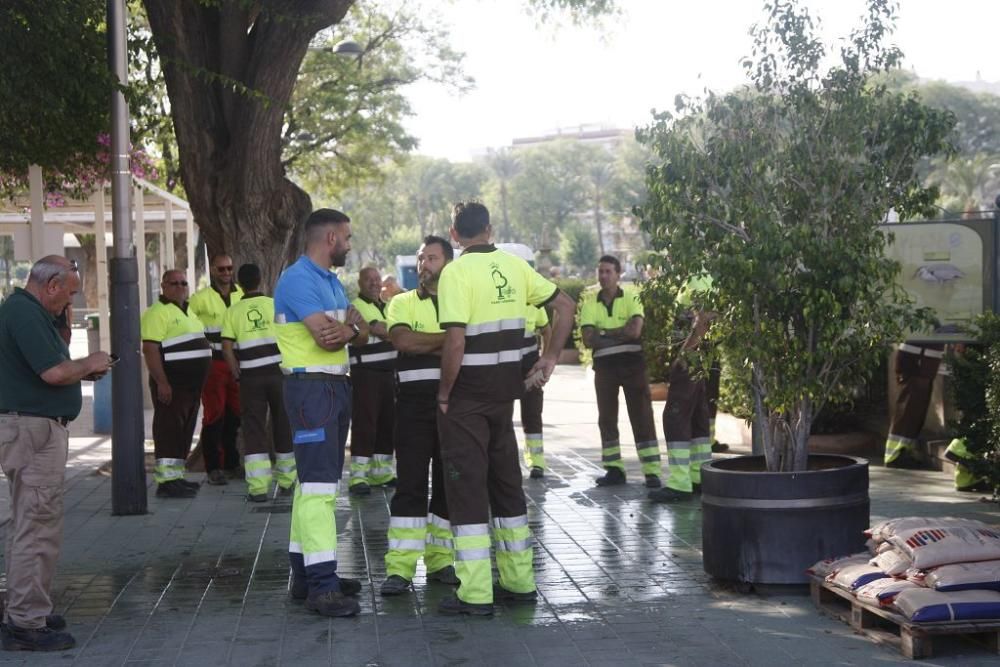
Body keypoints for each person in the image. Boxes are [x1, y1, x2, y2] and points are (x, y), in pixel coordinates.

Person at [436, 201, 576, 616]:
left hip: (465, 399)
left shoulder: (456, 273)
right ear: (490, 229)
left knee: (466, 492)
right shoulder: (515, 267)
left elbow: (456, 343)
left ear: (455, 234)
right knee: (506, 486)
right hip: (504, 395)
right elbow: (565, 306)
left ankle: (475, 593)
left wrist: (444, 392)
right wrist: (550, 357)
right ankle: (519, 583)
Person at [0, 256, 112, 651]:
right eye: (69, 293)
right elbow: (55, 372)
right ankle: (25, 622)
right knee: (36, 525)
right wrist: (91, 362)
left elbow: (59, 360)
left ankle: (26, 607)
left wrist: (79, 363)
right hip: (33, 430)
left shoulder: (31, 312)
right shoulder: (23, 313)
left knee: (30, 523)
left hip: (34, 427)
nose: (72, 302)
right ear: (50, 286)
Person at [273, 208, 369, 618]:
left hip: (330, 388)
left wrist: (349, 330)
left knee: (311, 487)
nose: (349, 244)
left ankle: (307, 577)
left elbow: (359, 331)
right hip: (312, 391)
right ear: (330, 238)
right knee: (318, 491)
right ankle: (323, 587)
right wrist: (349, 330)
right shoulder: (297, 279)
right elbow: (331, 339)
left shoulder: (329, 281)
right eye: (346, 237)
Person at [379, 236, 459, 596]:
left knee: (447, 484)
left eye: (432, 257)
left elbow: (418, 341)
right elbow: (404, 343)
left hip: (454, 406)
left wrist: (432, 337)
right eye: (421, 258)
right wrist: (455, 337)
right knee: (410, 485)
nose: (425, 264)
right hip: (412, 407)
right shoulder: (401, 302)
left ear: (449, 262)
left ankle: (441, 561)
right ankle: (400, 569)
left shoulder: (461, 301)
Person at [579, 255, 662, 488]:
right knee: (606, 418)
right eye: (600, 272)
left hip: (632, 364)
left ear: (618, 273)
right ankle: (614, 470)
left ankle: (652, 471)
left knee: (642, 416)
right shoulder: (589, 302)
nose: (603, 276)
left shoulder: (632, 296)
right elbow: (587, 339)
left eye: (608, 271)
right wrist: (618, 332)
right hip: (604, 368)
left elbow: (635, 331)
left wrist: (603, 334)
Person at [221, 263, 296, 502]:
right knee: (283, 425)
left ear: (239, 283)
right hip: (279, 375)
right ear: (261, 280)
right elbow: (290, 337)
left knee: (253, 429)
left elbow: (227, 348)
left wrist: (236, 372)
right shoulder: (274, 304)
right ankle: (287, 481)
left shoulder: (233, 311)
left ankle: (258, 488)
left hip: (251, 378)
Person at [141, 270, 213, 498]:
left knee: (184, 431)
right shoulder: (157, 313)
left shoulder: (188, 310)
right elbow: (150, 350)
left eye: (184, 283)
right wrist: (162, 383)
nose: (180, 287)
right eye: (174, 283)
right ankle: (166, 482)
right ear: (163, 286)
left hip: (191, 386)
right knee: (169, 431)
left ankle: (177, 476)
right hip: (172, 383)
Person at [649, 275, 715, 503]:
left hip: (691, 358)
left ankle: (679, 482)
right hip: (701, 356)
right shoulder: (705, 274)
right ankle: (698, 477)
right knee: (698, 418)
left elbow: (705, 318)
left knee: (675, 418)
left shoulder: (699, 276)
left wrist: (684, 354)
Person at [189, 253, 243, 485]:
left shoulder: (242, 295)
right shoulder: (200, 299)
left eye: (229, 268)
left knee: (235, 415)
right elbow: (190, 328)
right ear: (213, 271)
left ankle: (231, 463)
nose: (226, 273)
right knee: (214, 415)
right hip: (213, 364)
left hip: (238, 363)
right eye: (221, 269)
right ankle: (214, 468)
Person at [347, 267, 397, 495]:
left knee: (388, 423)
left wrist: (386, 330)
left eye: (377, 279)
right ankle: (358, 477)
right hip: (365, 374)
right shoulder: (356, 307)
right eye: (369, 280)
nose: (374, 283)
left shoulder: (387, 306)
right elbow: (377, 328)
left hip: (388, 373)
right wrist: (391, 330)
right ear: (360, 283)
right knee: (364, 423)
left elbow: (384, 330)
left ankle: (382, 473)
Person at [883, 342, 944, 468]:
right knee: (910, 408)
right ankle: (897, 455)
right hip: (919, 359)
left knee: (914, 408)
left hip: (920, 358)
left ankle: (902, 452)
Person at [520, 305, 552, 478]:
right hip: (505, 364)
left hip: (531, 364)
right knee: (501, 415)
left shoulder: (534, 302)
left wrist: (545, 359)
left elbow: (547, 330)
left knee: (532, 413)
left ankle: (536, 462)